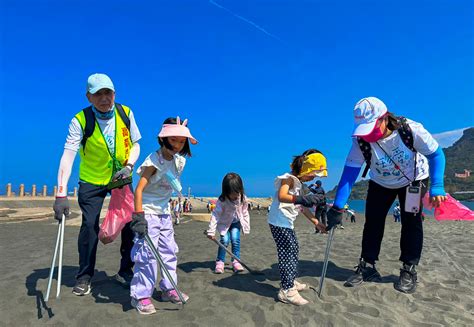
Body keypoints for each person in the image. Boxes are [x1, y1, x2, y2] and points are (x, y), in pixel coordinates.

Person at [327, 97, 446, 294]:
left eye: (372, 128)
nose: (368, 135)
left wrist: (438, 186)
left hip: (414, 181)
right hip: (381, 183)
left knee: (411, 222)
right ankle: (367, 266)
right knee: (373, 222)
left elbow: (436, 154)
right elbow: (349, 174)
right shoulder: (361, 141)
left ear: (384, 118)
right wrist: (338, 207)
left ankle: (409, 269)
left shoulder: (410, 130)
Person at [53, 73, 141, 296]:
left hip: (120, 176)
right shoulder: (80, 120)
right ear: (89, 97)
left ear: (114, 93)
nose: (104, 98)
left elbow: (136, 144)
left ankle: (125, 270)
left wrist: (130, 166)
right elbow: (68, 155)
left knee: (130, 224)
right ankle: (84, 275)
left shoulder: (126, 113)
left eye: (108, 93)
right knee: (89, 225)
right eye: (98, 94)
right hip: (91, 180)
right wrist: (61, 194)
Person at [129, 116, 197, 314]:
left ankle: (169, 288)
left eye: (181, 141)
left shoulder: (179, 162)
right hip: (148, 212)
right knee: (147, 255)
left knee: (169, 251)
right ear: (164, 138)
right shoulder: (153, 161)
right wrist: (139, 216)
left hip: (165, 213)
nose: (177, 145)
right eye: (174, 140)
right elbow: (139, 190)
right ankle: (140, 296)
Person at [268, 149, 328, 305]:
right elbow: (282, 196)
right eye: (313, 173)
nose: (314, 177)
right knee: (287, 252)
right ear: (305, 169)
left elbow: (302, 207)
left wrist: (315, 221)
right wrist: (303, 198)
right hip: (279, 222)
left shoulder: (299, 183)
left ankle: (290, 281)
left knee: (293, 249)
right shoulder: (288, 179)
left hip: (286, 222)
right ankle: (287, 290)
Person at [206, 173, 250, 274]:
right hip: (224, 224)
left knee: (235, 240)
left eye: (237, 192)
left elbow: (245, 212)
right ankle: (220, 262)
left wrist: (246, 227)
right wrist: (211, 231)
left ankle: (236, 261)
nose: (234, 196)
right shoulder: (222, 200)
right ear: (226, 191)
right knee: (224, 241)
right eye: (231, 193)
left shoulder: (243, 198)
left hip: (236, 223)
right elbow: (215, 215)